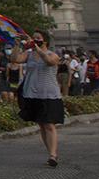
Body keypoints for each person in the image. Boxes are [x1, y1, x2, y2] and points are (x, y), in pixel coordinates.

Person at [16, 32, 66, 167]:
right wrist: (16, 44)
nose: (35, 39)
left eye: (38, 37)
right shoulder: (29, 54)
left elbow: (49, 62)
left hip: (49, 94)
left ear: (45, 41)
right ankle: (50, 152)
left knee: (49, 124)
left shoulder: (52, 54)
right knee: (42, 125)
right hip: (32, 93)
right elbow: (16, 59)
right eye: (34, 37)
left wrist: (36, 47)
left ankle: (53, 155)